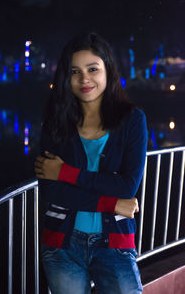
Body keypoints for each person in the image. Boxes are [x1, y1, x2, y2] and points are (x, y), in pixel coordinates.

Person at [35, 32, 148, 294]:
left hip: (115, 243)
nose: (84, 78)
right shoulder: (56, 123)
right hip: (61, 242)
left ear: (108, 71)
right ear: (67, 78)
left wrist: (65, 172)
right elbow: (52, 190)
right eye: (75, 71)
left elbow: (127, 187)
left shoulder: (132, 120)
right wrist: (111, 203)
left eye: (93, 69)